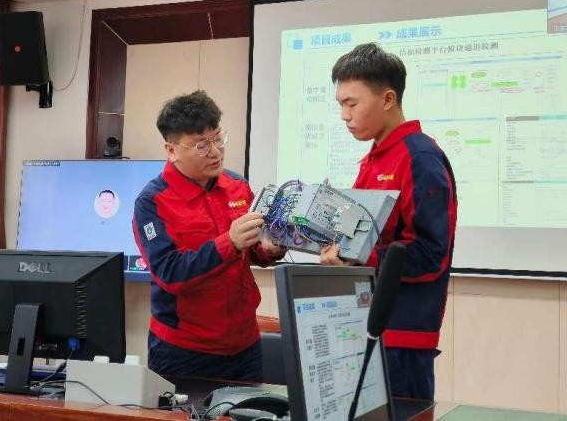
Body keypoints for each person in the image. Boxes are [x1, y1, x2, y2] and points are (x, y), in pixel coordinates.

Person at [320, 43, 457, 400]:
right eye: (340, 105)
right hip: (363, 325)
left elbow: (431, 254)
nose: (344, 115)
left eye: (351, 103)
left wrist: (358, 256)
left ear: (388, 99)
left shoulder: (419, 156)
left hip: (400, 337)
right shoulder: (375, 158)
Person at [132, 90, 285, 381]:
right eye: (201, 144)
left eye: (218, 138)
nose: (215, 151)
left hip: (245, 344)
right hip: (184, 351)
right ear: (171, 150)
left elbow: (252, 251)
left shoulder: (237, 185)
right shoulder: (152, 202)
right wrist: (231, 242)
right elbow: (170, 273)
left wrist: (270, 249)